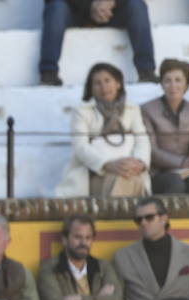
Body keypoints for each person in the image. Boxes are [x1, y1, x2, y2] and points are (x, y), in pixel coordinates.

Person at [55, 61, 150, 199]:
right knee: (125, 180)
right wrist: (107, 164)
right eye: (97, 83)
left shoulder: (132, 110)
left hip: (130, 170)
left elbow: (142, 140)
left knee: (129, 178)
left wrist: (139, 163)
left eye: (107, 81)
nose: (104, 87)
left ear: (118, 84)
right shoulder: (82, 112)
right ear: (91, 88)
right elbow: (80, 146)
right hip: (95, 172)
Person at [111, 197, 189, 300]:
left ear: (164, 219)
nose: (143, 223)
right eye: (139, 220)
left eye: (149, 217)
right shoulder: (122, 257)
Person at [40, 0, 157, 87]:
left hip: (112, 11)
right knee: (56, 8)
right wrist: (90, 6)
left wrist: (112, 2)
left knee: (137, 6)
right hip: (75, 11)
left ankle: (146, 71)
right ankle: (48, 74)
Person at [141, 59, 189, 195]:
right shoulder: (147, 110)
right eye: (168, 80)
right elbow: (152, 150)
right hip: (159, 172)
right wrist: (183, 162)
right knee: (174, 183)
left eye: (178, 80)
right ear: (161, 83)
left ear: (187, 84)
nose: (173, 85)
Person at [36, 215, 124, 300]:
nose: (83, 243)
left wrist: (80, 299)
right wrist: (99, 298)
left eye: (88, 238)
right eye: (78, 237)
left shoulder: (103, 267)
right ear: (64, 239)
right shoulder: (50, 269)